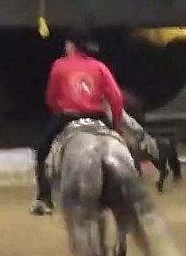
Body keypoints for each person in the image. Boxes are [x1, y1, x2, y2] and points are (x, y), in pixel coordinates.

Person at [30, 32, 125, 215]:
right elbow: (116, 97)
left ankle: (44, 198)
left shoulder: (60, 65)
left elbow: (51, 97)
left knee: (41, 151)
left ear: (71, 45)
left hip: (69, 116)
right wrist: (117, 125)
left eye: (67, 44)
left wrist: (58, 109)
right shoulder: (99, 66)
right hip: (97, 117)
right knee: (122, 148)